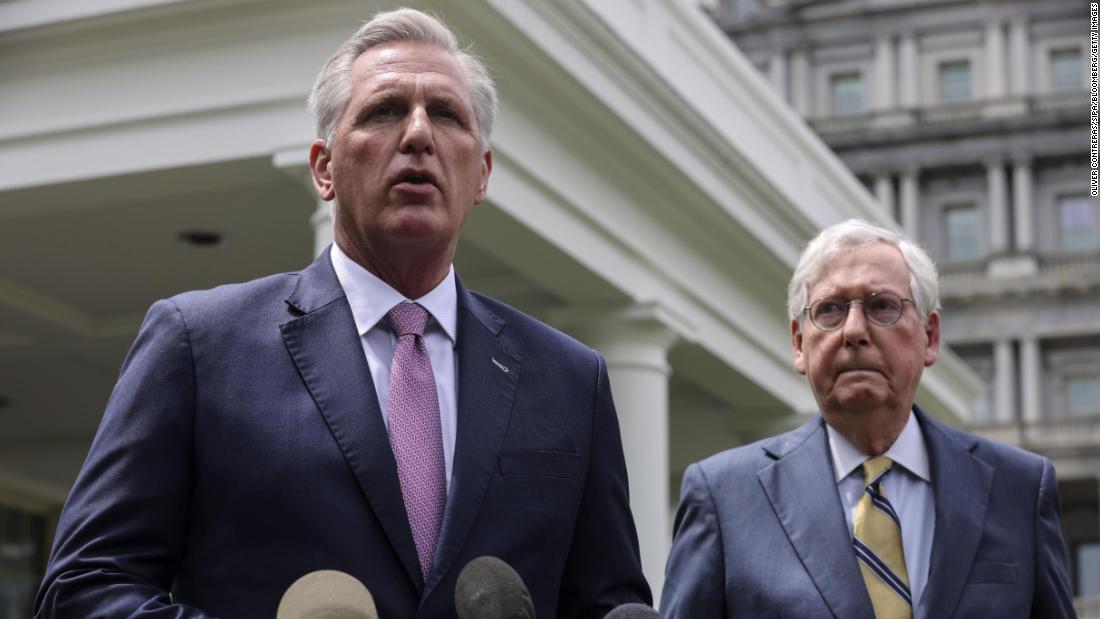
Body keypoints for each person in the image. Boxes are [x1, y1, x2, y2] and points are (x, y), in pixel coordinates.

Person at [34, 9, 650, 618]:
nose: (418, 134)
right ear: (324, 168)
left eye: (445, 114)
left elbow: (608, 602)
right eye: (385, 111)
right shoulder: (198, 345)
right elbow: (85, 587)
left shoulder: (572, 381)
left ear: (482, 175)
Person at [661, 219, 1075, 618]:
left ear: (930, 336)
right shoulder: (724, 498)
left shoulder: (1019, 489)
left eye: (882, 307)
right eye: (830, 310)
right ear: (799, 343)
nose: (854, 330)